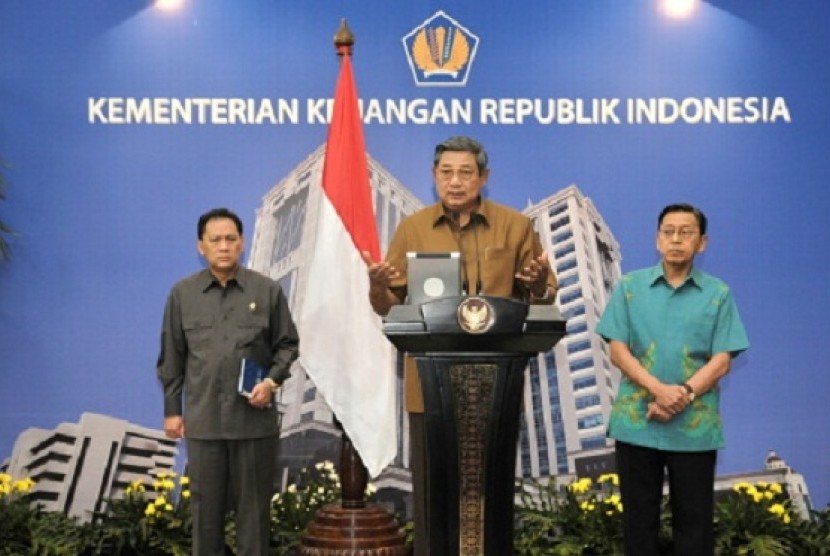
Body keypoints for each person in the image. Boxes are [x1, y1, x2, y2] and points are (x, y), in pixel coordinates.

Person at [360, 136, 558, 555]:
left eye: (465, 172)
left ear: (484, 177)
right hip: (431, 389)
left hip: (496, 390)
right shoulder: (412, 228)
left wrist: (538, 283)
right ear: (434, 177)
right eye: (446, 172)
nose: (455, 181)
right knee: (434, 497)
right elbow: (389, 308)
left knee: (491, 494)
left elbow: (542, 297)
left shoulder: (516, 226)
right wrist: (377, 288)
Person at [596, 203, 749, 556]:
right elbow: (617, 350)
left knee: (694, 524)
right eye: (668, 231)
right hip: (637, 421)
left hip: (694, 426)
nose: (676, 239)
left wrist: (682, 395)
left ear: (703, 243)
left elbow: (723, 359)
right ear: (657, 239)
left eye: (686, 232)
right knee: (638, 522)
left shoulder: (718, 294)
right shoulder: (630, 287)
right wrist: (659, 391)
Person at [156, 207, 299, 556]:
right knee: (206, 516)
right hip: (204, 424)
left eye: (231, 239)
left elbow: (287, 345)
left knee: (254, 516)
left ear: (243, 243)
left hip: (253, 423)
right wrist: (173, 411)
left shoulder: (266, 291)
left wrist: (271, 382)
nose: (224, 246)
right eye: (215, 240)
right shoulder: (182, 294)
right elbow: (171, 357)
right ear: (201, 247)